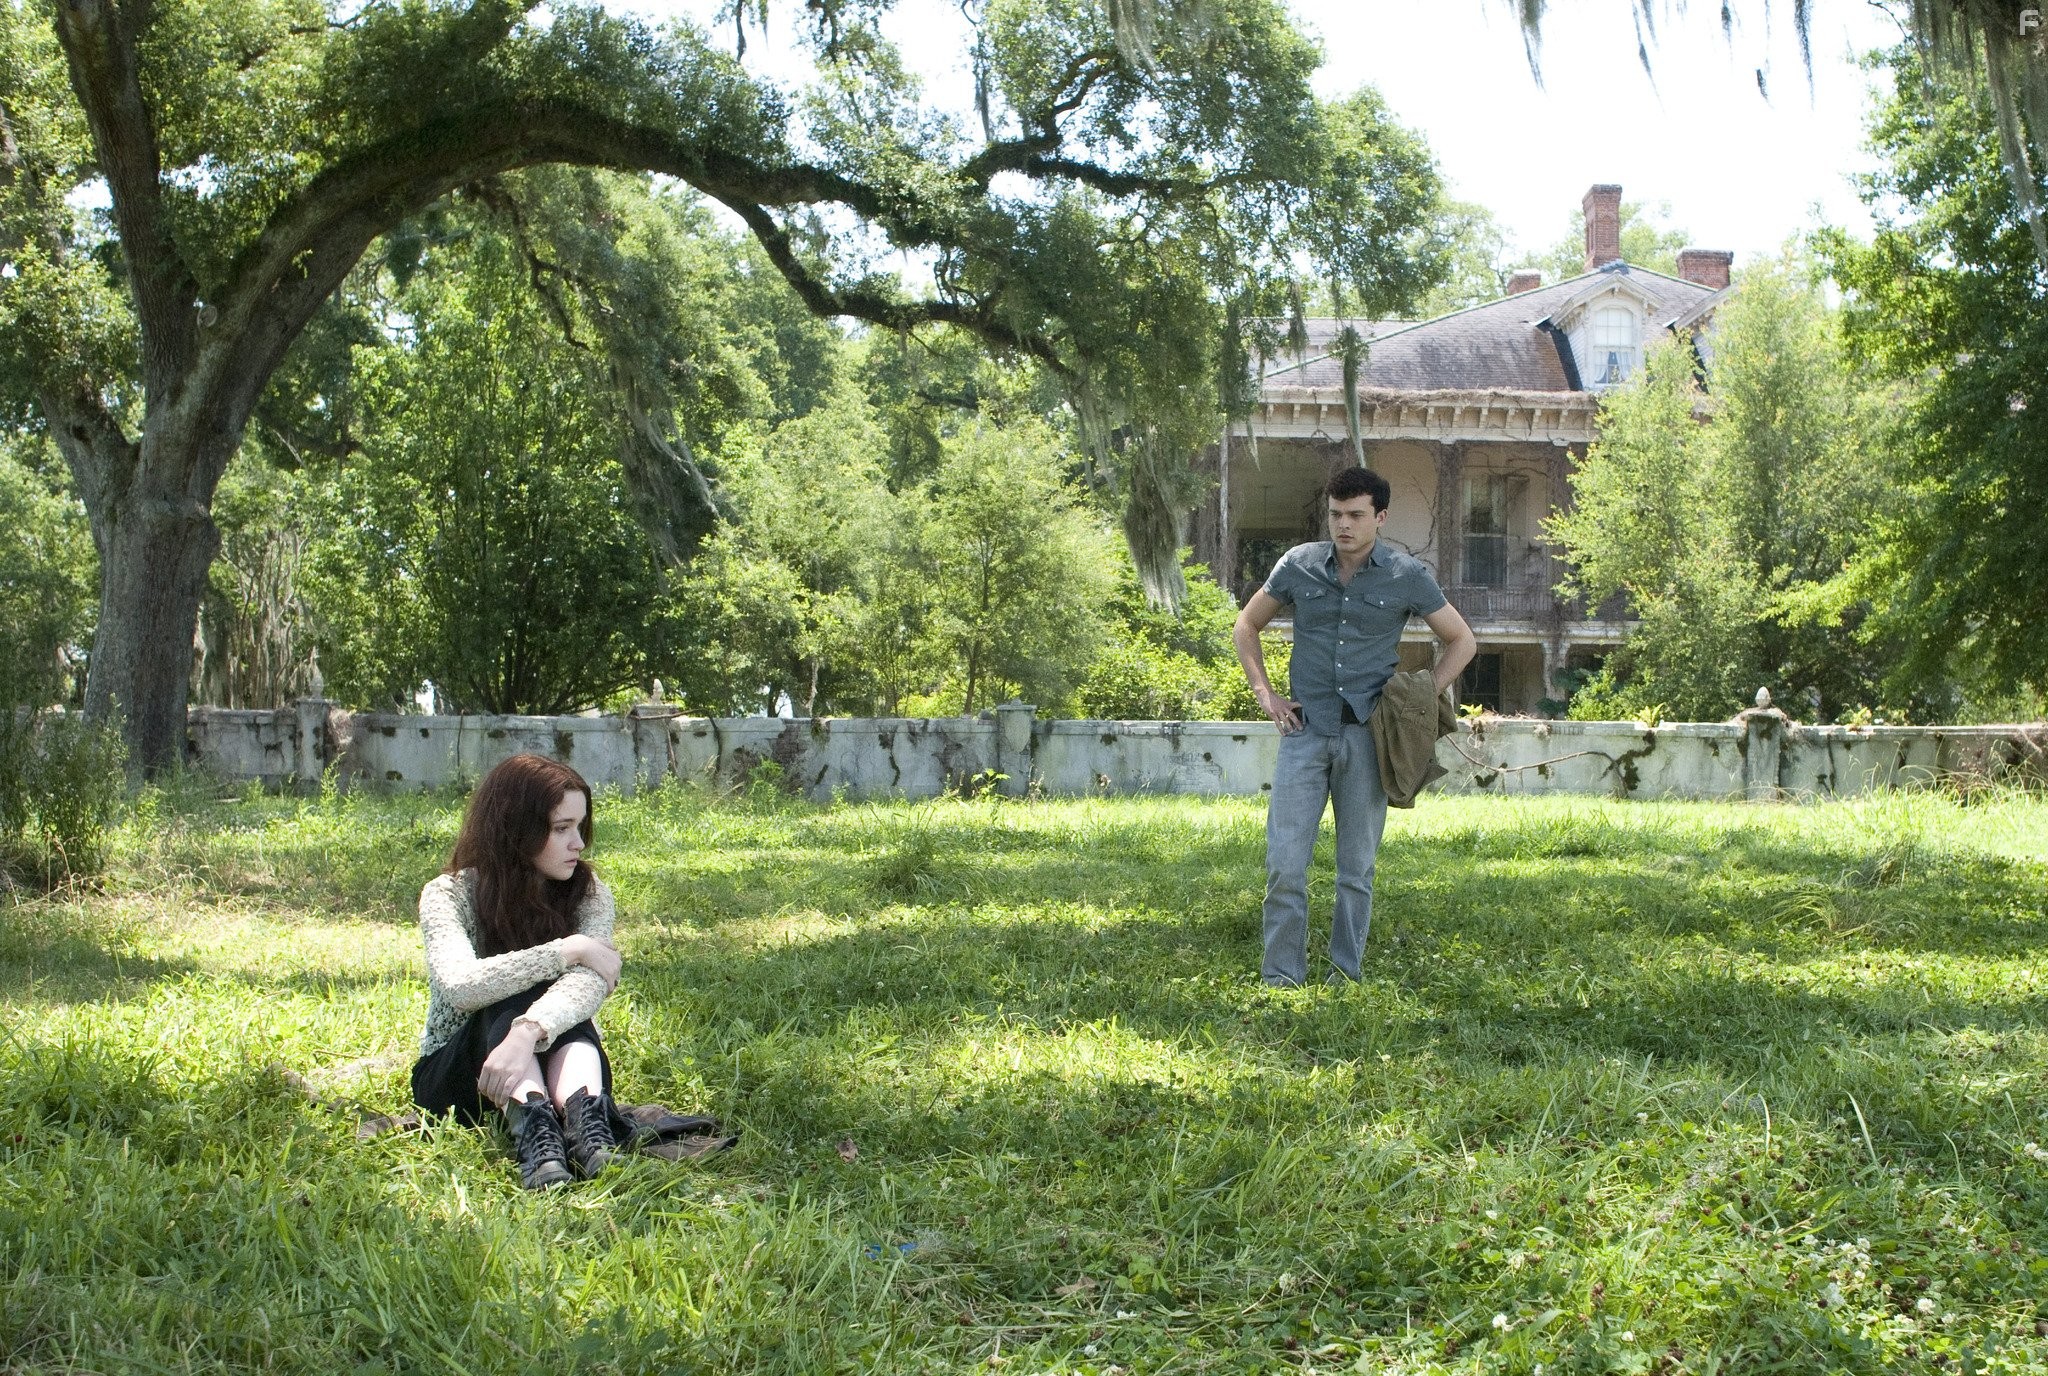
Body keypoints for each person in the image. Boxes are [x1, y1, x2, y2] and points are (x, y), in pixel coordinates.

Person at [1231, 466, 1476, 987]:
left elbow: (1462, 640)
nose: (1344, 525)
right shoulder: (1298, 565)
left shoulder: (1406, 574)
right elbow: (1247, 624)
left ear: (1380, 517)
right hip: (1304, 733)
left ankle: (1345, 975)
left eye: (1356, 515)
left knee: (1355, 871)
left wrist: (1421, 696)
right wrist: (1266, 694)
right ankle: (1281, 979)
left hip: (1369, 737)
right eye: (1336, 514)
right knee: (1285, 867)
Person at [410, 753, 627, 1189]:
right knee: (510, 988)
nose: (578, 844)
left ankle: (585, 1123)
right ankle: (533, 1126)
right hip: (460, 1074)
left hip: (549, 1056)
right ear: (516, 829)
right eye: (561, 828)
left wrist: (528, 1033)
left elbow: (590, 985)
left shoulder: (590, 894)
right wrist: (568, 949)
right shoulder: (446, 895)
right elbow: (461, 987)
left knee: (561, 1003)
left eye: (580, 827)